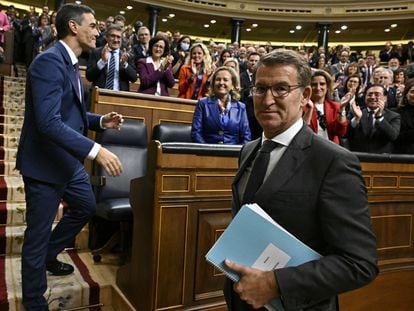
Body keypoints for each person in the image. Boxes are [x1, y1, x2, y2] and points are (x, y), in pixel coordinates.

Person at [223, 49, 378, 310]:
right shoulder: (249, 150)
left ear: (305, 95)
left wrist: (275, 284)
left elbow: (359, 263)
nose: (268, 99)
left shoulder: (334, 161)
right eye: (260, 88)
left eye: (281, 89)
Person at [15, 4, 124, 310]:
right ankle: (34, 301)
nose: (98, 31)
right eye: (93, 25)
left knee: (86, 206)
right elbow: (48, 122)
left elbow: (69, 113)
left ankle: (50, 255)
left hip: (67, 162)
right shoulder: (48, 62)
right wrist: (96, 149)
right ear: (74, 27)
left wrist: (100, 122)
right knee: (36, 235)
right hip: (44, 165)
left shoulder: (70, 62)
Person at [191, 66, 251, 144]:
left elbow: (246, 136)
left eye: (225, 80)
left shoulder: (241, 107)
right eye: (218, 79)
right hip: (206, 152)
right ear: (213, 84)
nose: (221, 83)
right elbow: (196, 133)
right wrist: (206, 151)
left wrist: (237, 154)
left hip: (233, 154)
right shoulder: (203, 104)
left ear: (233, 84)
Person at [347, 84, 401, 153]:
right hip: (358, 156)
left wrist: (379, 117)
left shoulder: (394, 116)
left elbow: (393, 136)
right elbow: (346, 134)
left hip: (381, 159)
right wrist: (356, 119)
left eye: (377, 94)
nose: (372, 97)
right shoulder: (355, 112)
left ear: (385, 98)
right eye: (369, 94)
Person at [86, 24, 137, 92]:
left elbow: (134, 78)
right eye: (112, 36)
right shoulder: (96, 52)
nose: (116, 40)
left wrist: (125, 64)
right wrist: (102, 61)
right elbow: (89, 77)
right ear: (106, 37)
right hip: (98, 95)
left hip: (120, 98)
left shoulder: (127, 55)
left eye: (118, 37)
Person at [303, 70, 347, 144]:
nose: (318, 87)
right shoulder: (302, 106)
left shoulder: (335, 106)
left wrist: (342, 109)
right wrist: (309, 110)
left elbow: (340, 132)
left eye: (322, 84)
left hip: (331, 149)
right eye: (314, 84)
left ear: (327, 87)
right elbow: (302, 132)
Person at [394, 79, 414, 154]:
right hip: (403, 157)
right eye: (412, 92)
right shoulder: (395, 113)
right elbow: (396, 136)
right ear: (406, 94)